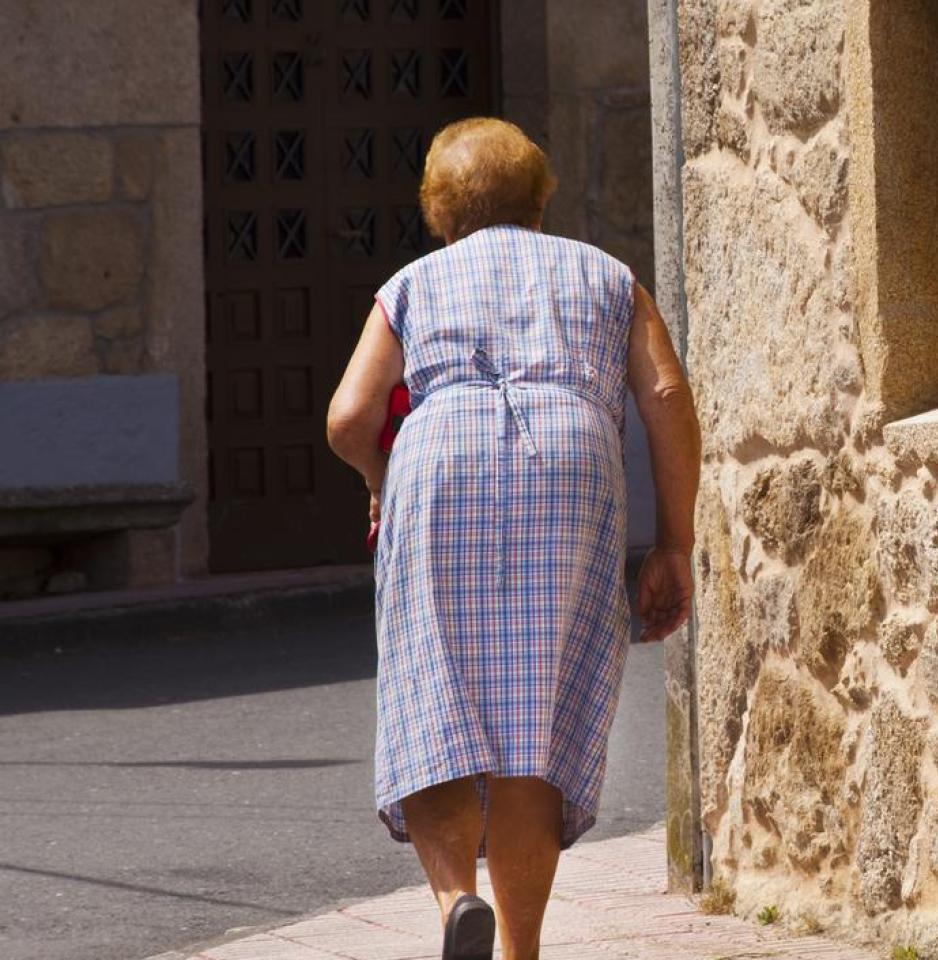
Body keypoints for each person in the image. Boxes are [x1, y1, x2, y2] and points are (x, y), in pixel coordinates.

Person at [326, 117, 700, 960]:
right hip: (571, 460)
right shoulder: (608, 277)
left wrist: (383, 477)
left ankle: (457, 899)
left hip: (440, 460)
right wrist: (673, 542)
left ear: (439, 211)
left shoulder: (412, 284)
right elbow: (668, 398)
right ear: (539, 200)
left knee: (434, 696)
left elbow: (348, 417)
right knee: (540, 715)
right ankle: (520, 949)